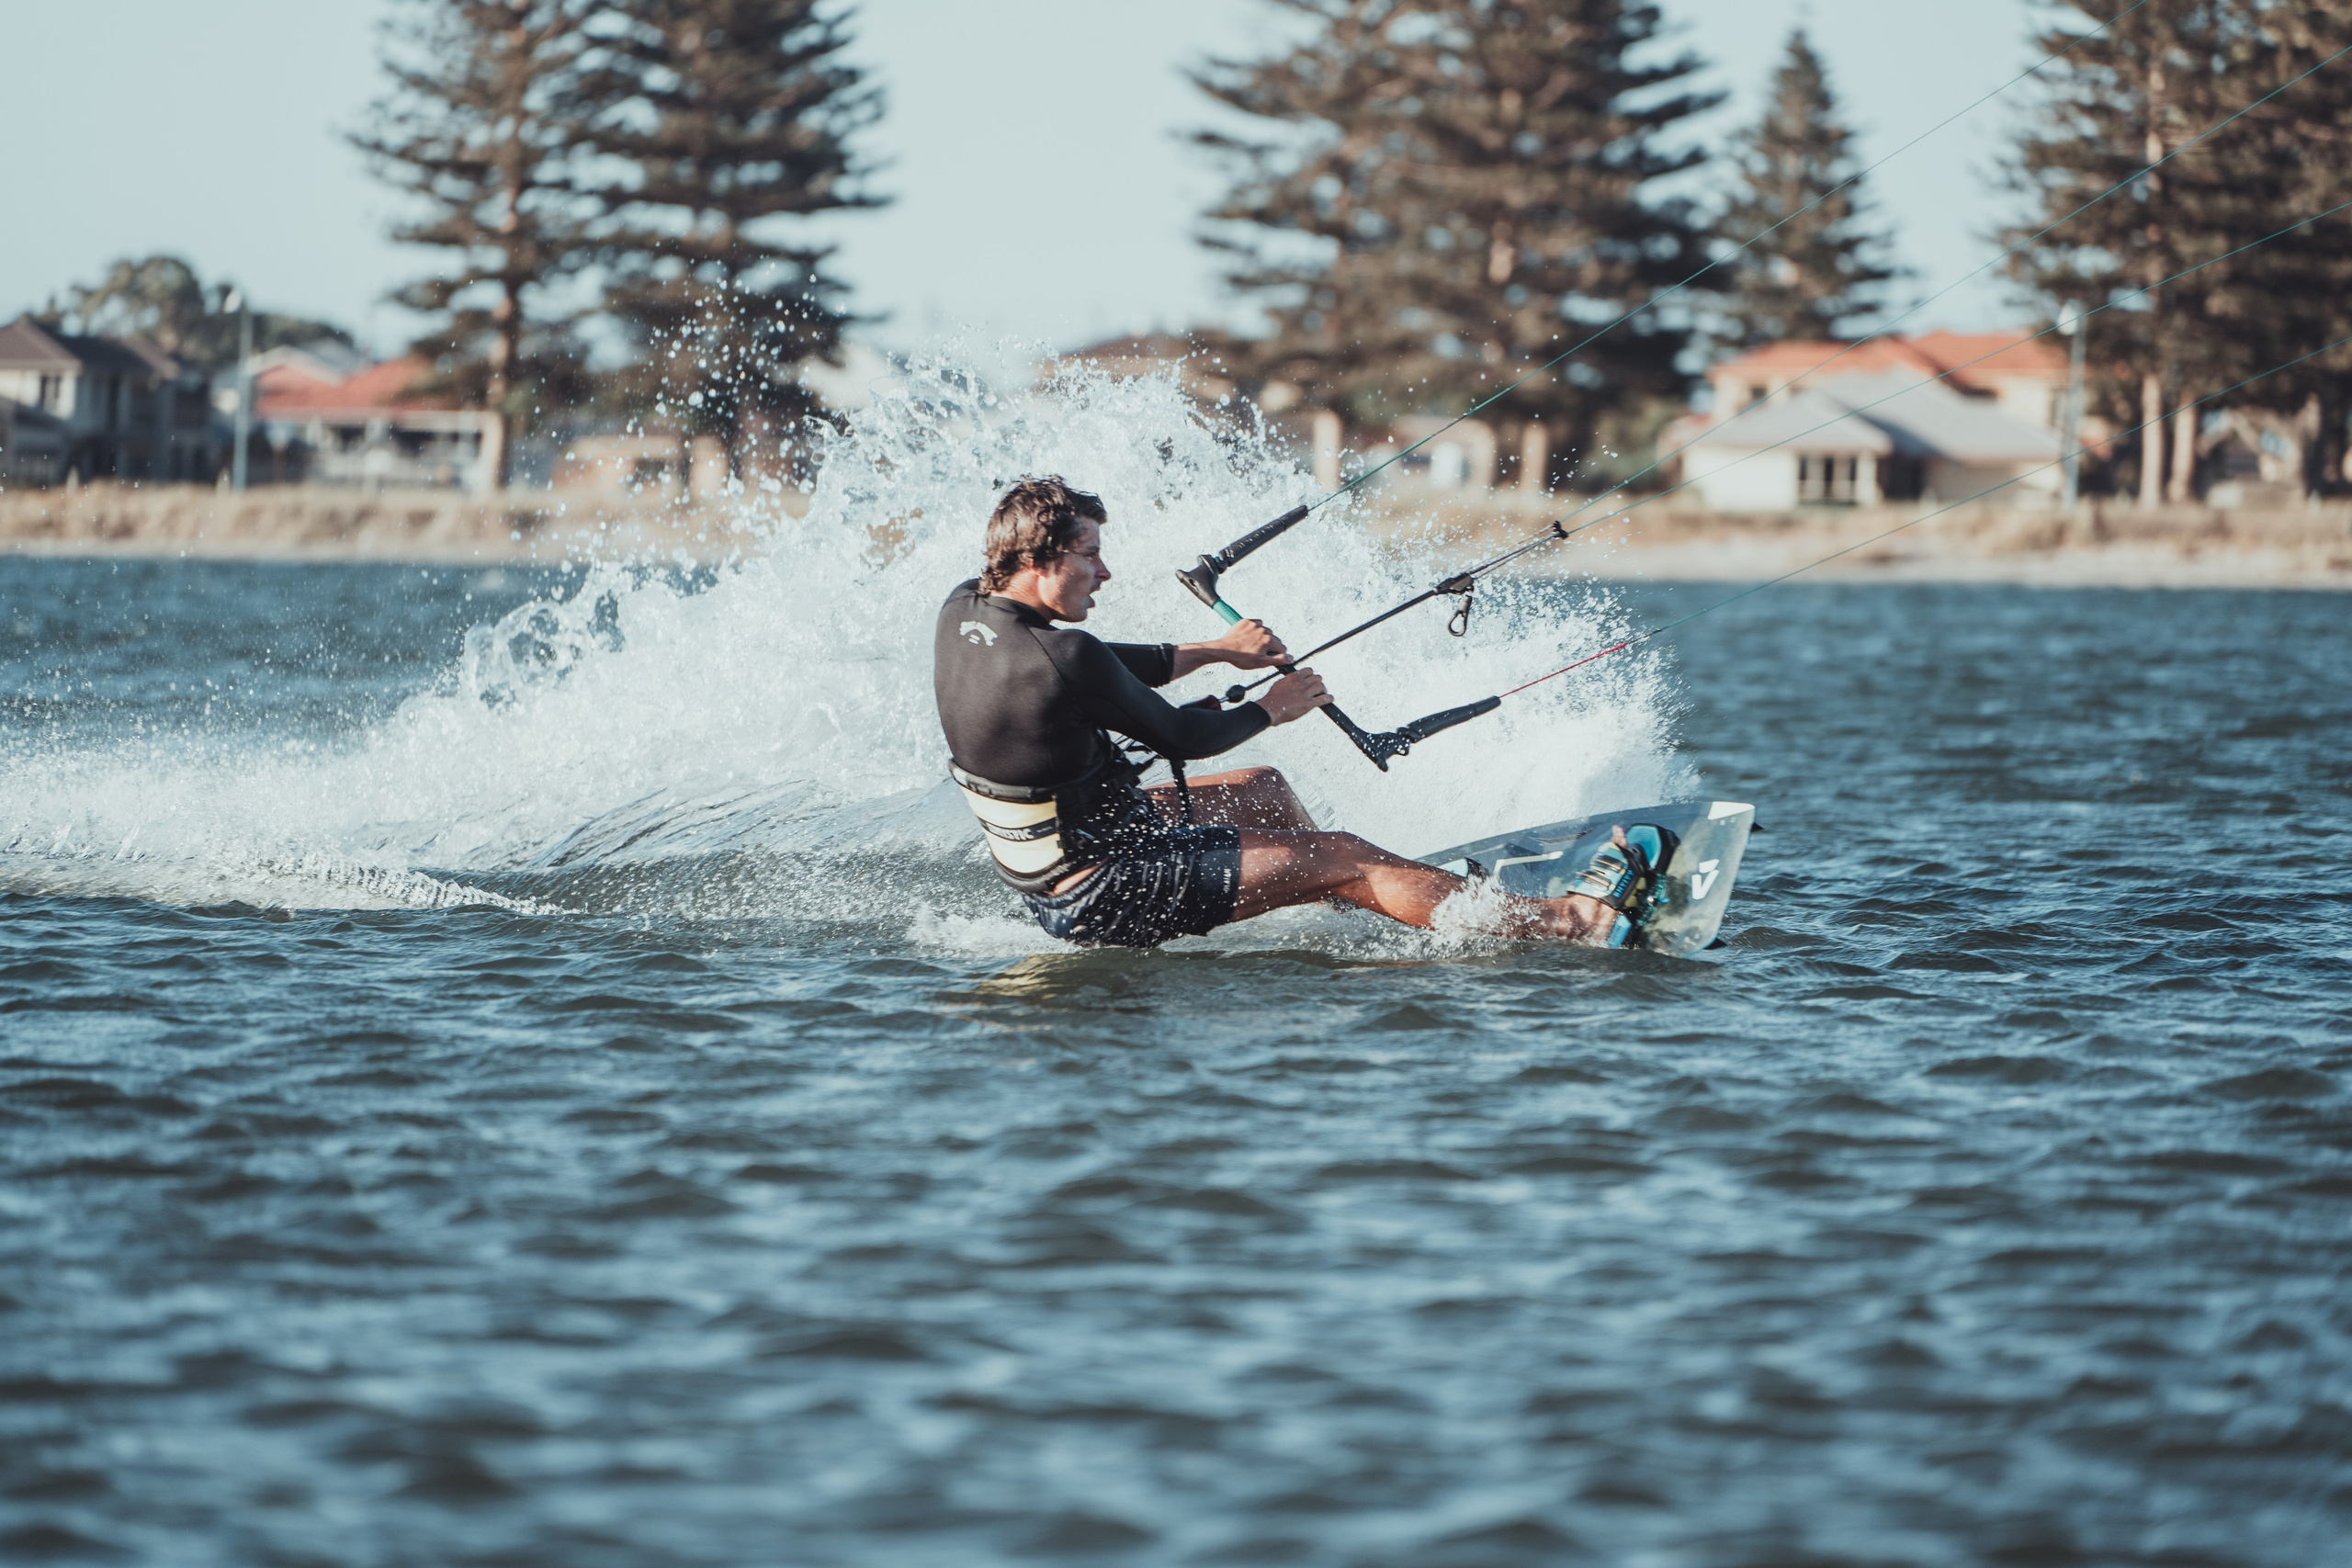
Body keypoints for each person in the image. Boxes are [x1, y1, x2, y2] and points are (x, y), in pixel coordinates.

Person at [933, 477, 1666, 949]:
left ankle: (1366, 894)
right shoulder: (1065, 655)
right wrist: (1275, 706)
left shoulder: (966, 606)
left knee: (1267, 791)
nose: (1105, 572)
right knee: (1342, 850)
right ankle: (1572, 922)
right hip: (1102, 888)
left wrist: (1218, 650)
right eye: (1090, 555)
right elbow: (1184, 735)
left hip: (1065, 846)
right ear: (1041, 563)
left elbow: (1110, 666)